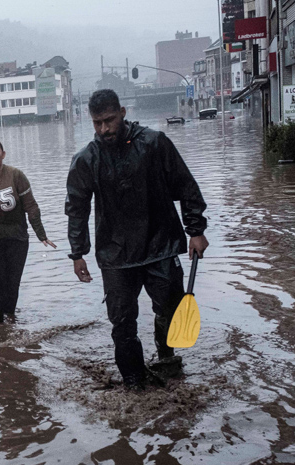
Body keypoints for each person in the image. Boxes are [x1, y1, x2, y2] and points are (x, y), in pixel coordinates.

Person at [65, 89, 209, 390]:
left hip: (160, 244)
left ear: (123, 112)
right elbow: (77, 209)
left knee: (169, 310)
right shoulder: (86, 159)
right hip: (115, 254)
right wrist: (78, 253)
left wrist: (195, 230)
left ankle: (167, 359)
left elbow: (185, 185)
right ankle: (134, 381)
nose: (104, 129)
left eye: (109, 120)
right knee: (122, 322)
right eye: (97, 123)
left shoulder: (154, 143)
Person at [0, 138, 57, 324]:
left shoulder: (16, 176)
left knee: (13, 282)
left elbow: (31, 206)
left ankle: (10, 319)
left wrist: (41, 234)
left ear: (3, 154)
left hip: (17, 236)